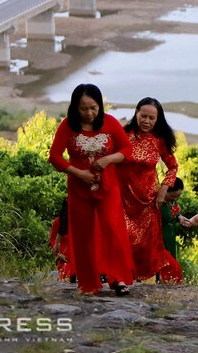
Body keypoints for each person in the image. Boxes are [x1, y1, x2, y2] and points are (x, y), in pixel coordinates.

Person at [47, 83, 136, 296]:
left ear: (100, 106)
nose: (89, 113)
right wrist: (80, 174)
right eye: (84, 108)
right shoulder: (68, 126)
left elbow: (127, 150)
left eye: (93, 108)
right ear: (75, 107)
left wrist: (108, 159)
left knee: (113, 230)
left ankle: (118, 279)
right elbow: (55, 157)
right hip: (79, 188)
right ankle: (88, 283)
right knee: (84, 234)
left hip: (108, 186)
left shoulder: (111, 123)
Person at [118, 97, 183, 284]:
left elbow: (172, 166)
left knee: (147, 247)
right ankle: (122, 278)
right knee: (123, 241)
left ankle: (147, 282)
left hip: (148, 202)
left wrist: (163, 190)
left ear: (157, 119)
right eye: (143, 116)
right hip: (122, 199)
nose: (146, 121)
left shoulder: (159, 140)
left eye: (151, 118)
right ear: (136, 113)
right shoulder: (123, 134)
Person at [48, 198, 76, 283]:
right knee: (66, 276)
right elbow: (52, 239)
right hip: (64, 258)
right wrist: (58, 254)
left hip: (75, 257)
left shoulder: (77, 221)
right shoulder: (58, 222)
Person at [159, 178, 185, 264]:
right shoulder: (157, 203)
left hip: (170, 239)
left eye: (178, 196)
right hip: (159, 241)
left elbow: (174, 213)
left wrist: (180, 217)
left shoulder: (173, 202)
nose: (175, 199)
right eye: (173, 196)